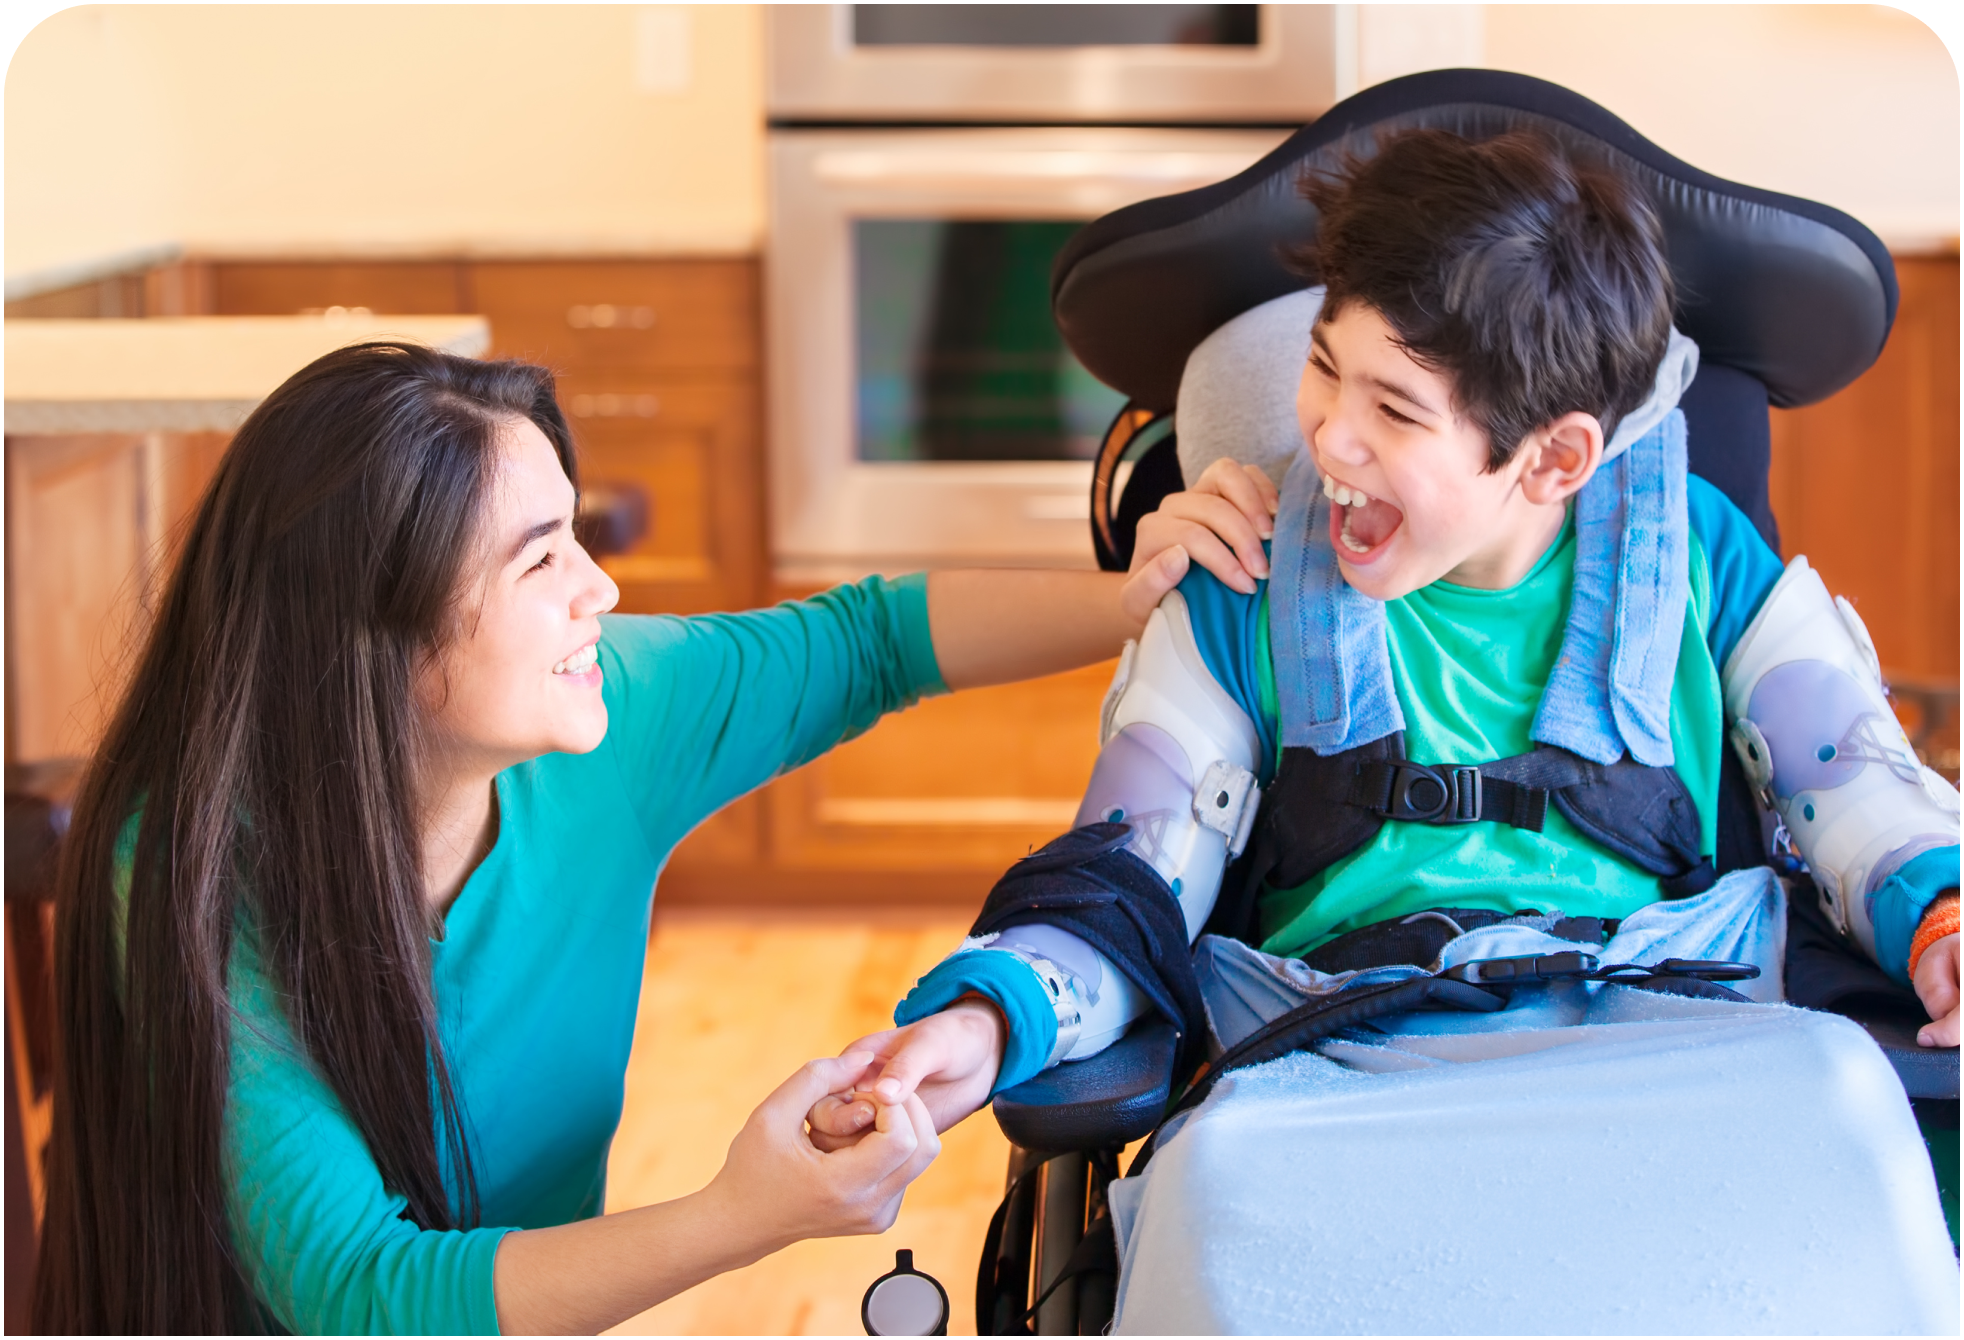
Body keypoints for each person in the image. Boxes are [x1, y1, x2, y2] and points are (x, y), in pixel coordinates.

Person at [29, 340, 1262, 1334]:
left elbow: (873, 638)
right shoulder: (193, 872)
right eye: (538, 559)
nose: (600, 588)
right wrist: (744, 1212)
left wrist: (1132, 600)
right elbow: (365, 1298)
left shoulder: (612, 713)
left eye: (576, 533)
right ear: (375, 632)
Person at [813, 127, 1961, 1148]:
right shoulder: (1244, 575)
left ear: (1554, 458)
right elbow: (1130, 871)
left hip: (1679, 1059)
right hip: (1339, 1077)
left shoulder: (1698, 559)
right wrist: (990, 1011)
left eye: (1395, 410)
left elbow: (1853, 785)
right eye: (1323, 369)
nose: (1329, 442)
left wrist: (1943, 918)